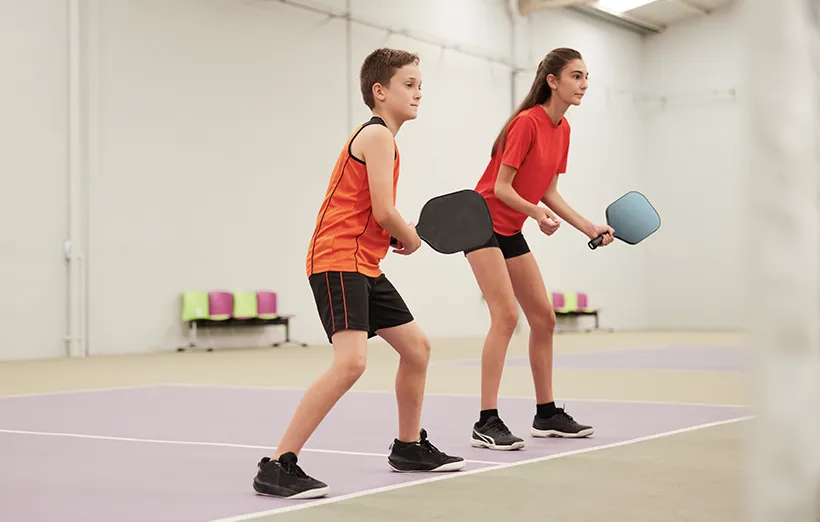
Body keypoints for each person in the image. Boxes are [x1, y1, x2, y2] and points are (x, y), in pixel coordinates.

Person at [251, 48, 465, 499]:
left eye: (421, 86)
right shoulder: (377, 136)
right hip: (337, 260)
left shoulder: (385, 140)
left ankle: (409, 447)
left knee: (417, 348)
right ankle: (277, 464)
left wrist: (392, 237)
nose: (418, 93)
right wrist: (409, 236)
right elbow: (386, 212)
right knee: (351, 363)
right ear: (379, 90)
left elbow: (366, 212)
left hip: (363, 262)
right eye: (409, 84)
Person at [464, 48, 614, 451]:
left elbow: (549, 191)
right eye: (576, 77)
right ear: (553, 81)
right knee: (506, 315)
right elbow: (500, 188)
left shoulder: (562, 129)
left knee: (544, 319)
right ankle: (486, 421)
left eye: (586, 78)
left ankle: (546, 413)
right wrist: (536, 214)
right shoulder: (526, 124)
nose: (583, 85)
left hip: (510, 227)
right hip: (479, 223)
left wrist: (588, 226)